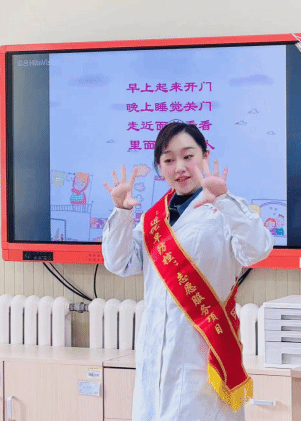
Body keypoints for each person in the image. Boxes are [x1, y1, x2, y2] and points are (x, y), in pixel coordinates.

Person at [102, 122, 273, 421]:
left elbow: (257, 249)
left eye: (188, 156)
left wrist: (225, 200)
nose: (179, 167)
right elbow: (119, 263)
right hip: (155, 358)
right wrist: (121, 212)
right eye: (168, 159)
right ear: (159, 167)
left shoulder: (226, 210)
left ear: (205, 156)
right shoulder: (153, 219)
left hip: (202, 359)